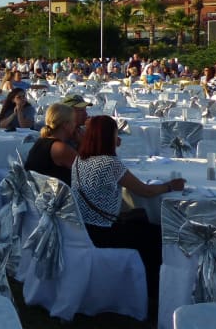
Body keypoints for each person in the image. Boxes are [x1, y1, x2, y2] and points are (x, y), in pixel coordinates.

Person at [71, 115, 184, 299]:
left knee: (142, 224)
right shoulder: (110, 163)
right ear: (110, 137)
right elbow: (144, 191)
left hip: (83, 228)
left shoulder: (79, 160)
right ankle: (154, 294)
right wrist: (170, 186)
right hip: (104, 232)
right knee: (156, 236)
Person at [24, 103, 77, 185]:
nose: (75, 124)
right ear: (65, 125)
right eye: (73, 121)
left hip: (39, 195)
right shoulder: (60, 149)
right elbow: (87, 172)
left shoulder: (41, 141)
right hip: (61, 196)